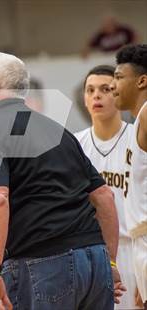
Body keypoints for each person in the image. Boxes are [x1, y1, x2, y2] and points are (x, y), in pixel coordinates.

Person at [0, 52, 125, 310]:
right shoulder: (58, 130)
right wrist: (111, 262)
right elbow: (104, 197)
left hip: (41, 265)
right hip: (95, 262)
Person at [75, 65, 143, 309]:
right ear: (84, 98)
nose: (97, 95)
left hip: (133, 249)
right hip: (89, 253)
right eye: (90, 90)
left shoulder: (138, 137)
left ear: (117, 94)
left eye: (105, 89)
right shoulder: (75, 144)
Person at [110, 44, 147, 309]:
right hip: (139, 243)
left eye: (119, 77)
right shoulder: (138, 122)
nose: (113, 85)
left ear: (142, 80)